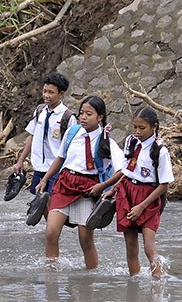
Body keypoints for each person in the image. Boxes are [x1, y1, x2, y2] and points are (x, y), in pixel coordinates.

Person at [36, 95, 125, 269]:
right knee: (51, 232)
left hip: (88, 189)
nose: (83, 117)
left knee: (85, 239)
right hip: (64, 184)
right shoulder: (72, 133)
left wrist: (104, 186)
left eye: (89, 114)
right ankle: (51, 275)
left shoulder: (106, 141)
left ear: (100, 117)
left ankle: (90, 279)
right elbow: (60, 158)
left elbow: (124, 170)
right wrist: (44, 179)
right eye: (81, 113)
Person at [110, 106, 174, 278]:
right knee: (130, 245)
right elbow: (126, 171)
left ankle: (158, 283)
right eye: (135, 127)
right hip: (127, 192)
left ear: (154, 127)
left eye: (142, 128)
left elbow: (164, 184)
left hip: (148, 197)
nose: (137, 131)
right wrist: (114, 189)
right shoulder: (131, 141)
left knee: (148, 244)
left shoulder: (160, 151)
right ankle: (134, 283)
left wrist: (141, 206)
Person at [13, 73, 77, 201]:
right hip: (39, 166)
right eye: (44, 91)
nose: (46, 95)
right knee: (39, 201)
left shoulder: (68, 117)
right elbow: (32, 136)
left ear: (61, 94)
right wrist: (21, 160)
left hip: (56, 168)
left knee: (52, 200)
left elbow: (72, 147)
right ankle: (48, 222)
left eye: (51, 92)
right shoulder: (40, 111)